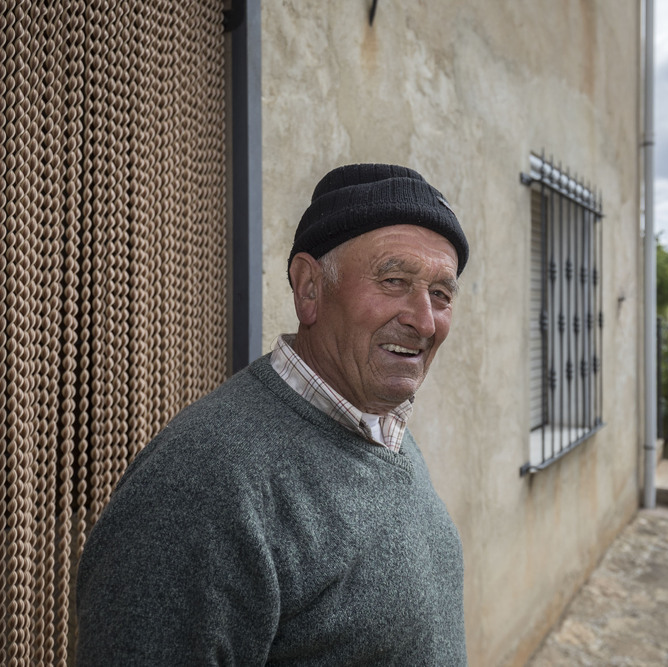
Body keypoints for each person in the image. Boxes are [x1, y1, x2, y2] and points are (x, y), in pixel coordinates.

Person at [76, 164, 470, 665]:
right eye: (394, 281)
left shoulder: (383, 426)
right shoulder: (203, 483)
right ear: (309, 288)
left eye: (442, 293)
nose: (424, 319)